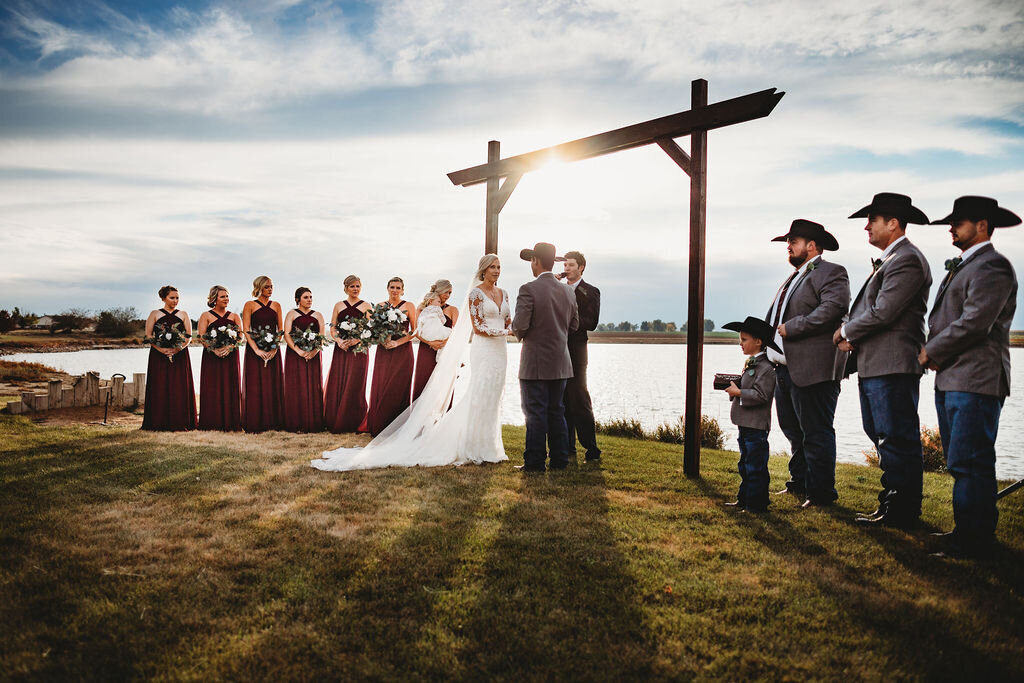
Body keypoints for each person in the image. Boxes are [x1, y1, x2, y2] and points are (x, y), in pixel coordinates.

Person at [312, 254, 513, 471]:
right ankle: (392, 426)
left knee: (493, 394)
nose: (496, 270)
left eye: (499, 266)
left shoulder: (503, 294)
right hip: (430, 350)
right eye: (492, 266)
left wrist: (507, 328)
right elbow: (455, 328)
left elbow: (504, 319)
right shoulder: (470, 295)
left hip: (494, 350)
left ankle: (489, 443)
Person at [920, 196, 1019, 558]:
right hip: (952, 378)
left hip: (977, 380)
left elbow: (975, 323)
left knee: (973, 460)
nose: (951, 227)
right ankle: (966, 532)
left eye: (958, 221)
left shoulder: (993, 266)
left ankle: (975, 541)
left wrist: (931, 351)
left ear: (982, 226)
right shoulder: (964, 266)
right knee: (960, 460)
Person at [832, 193, 932, 528]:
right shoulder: (892, 259)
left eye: (872, 220)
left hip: (894, 363)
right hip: (876, 363)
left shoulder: (907, 259)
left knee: (897, 436)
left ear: (893, 223)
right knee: (880, 433)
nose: (866, 227)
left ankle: (903, 512)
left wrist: (847, 330)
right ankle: (891, 504)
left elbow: (884, 312)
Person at [766, 220, 850, 508]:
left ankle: (821, 493)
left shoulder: (832, 272)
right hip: (784, 370)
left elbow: (832, 310)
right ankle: (799, 483)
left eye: (793, 241)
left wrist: (795, 326)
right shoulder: (793, 278)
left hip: (814, 370)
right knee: (793, 431)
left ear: (811, 245)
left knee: (816, 431)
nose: (788, 246)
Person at [512, 242, 579, 472]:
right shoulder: (568, 291)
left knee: (535, 412)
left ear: (536, 261)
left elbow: (520, 326)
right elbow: (575, 325)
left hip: (535, 363)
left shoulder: (528, 289)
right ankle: (559, 460)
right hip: (561, 362)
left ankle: (534, 462)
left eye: (531, 260)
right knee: (556, 411)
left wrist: (520, 331)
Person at [721, 316, 779, 513]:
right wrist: (734, 388)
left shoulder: (767, 368)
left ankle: (756, 504)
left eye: (744, 339)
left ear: (758, 342)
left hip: (757, 426)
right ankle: (743, 499)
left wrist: (739, 393)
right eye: (740, 339)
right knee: (745, 463)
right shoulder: (751, 364)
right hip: (745, 424)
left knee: (755, 466)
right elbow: (748, 387)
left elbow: (762, 395)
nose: (740, 343)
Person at [560, 250, 601, 463]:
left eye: (571, 265)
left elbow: (591, 322)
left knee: (579, 397)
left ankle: (591, 449)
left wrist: (568, 321)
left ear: (581, 267)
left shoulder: (591, 292)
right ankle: (567, 447)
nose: (567, 269)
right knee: (562, 398)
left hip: (576, 349)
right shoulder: (557, 289)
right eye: (565, 265)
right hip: (557, 349)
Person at [364, 277, 417, 436]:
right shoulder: (380, 306)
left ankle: (398, 427)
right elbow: (373, 329)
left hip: (402, 351)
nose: (395, 290)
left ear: (403, 290)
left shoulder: (409, 306)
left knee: (399, 385)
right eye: (392, 287)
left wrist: (398, 342)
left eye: (398, 287)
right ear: (387, 288)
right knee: (382, 384)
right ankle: (380, 424)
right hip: (384, 351)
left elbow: (414, 331)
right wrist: (384, 339)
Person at [141, 285, 197, 431]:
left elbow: (188, 337)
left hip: (180, 355)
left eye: (177, 297)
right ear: (163, 298)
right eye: (172, 297)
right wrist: (162, 349)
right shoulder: (154, 314)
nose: (175, 300)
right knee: (160, 386)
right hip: (158, 356)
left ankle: (181, 421)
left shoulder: (184, 314)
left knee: (179, 387)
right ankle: (158, 422)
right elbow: (148, 336)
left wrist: (177, 349)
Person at [323, 275, 372, 433]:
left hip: (359, 350)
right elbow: (333, 327)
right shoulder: (338, 305)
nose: (355, 289)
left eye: (358, 286)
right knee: (340, 381)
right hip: (342, 349)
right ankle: (336, 418)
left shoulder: (366, 306)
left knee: (355, 383)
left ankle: (354, 420)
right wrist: (338, 341)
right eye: (352, 286)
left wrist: (358, 339)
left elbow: (370, 329)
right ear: (346, 288)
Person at [241, 276, 285, 432]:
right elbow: (246, 329)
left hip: (273, 351)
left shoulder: (277, 305)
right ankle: (255, 422)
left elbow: (280, 330)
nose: (270, 289)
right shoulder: (250, 305)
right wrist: (256, 349)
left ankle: (275, 422)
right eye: (267, 287)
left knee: (273, 383)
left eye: (272, 286)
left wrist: (274, 347)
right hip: (254, 351)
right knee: (255, 385)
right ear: (259, 287)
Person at [196, 285, 243, 431]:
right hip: (212, 357)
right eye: (223, 296)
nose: (226, 299)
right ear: (214, 299)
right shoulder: (206, 315)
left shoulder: (235, 316)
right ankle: (212, 422)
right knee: (213, 387)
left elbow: (240, 336)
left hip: (230, 356)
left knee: (231, 386)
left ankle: (232, 422)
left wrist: (229, 348)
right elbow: (201, 337)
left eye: (227, 296)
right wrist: (215, 350)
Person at [282, 287, 326, 432]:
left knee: (313, 386)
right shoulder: (291, 314)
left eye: (311, 297)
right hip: (295, 355)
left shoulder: (318, 315)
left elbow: (321, 336)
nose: (309, 300)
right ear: (297, 300)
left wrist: (314, 351)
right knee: (296, 386)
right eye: (306, 297)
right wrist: (299, 351)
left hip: (313, 356)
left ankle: (313, 423)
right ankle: (295, 423)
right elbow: (287, 335)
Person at [413, 279, 458, 401]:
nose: (447, 296)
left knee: (443, 385)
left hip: (446, 351)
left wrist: (444, 342)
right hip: (426, 350)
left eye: (450, 293)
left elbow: (458, 332)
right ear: (438, 291)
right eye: (446, 292)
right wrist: (430, 343)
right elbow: (416, 331)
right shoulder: (422, 308)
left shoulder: (453, 310)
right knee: (424, 382)